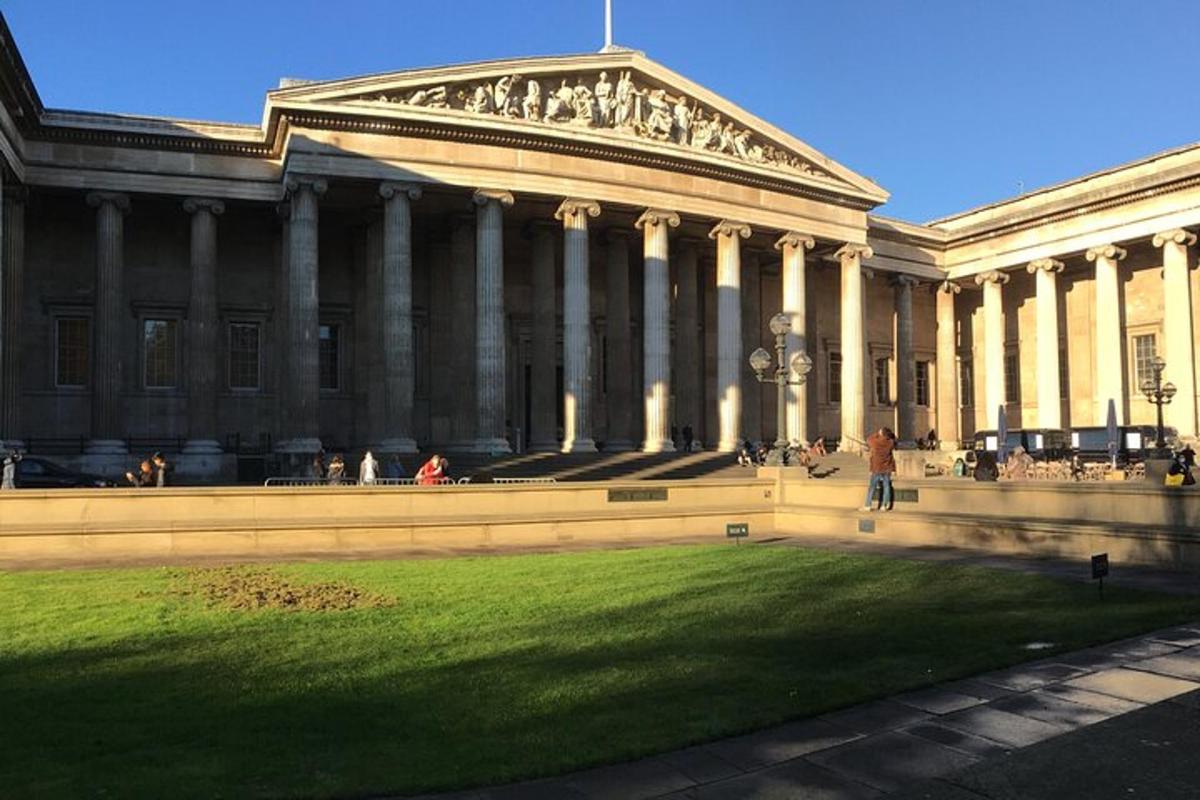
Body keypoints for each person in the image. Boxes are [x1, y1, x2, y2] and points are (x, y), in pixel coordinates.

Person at [862, 427, 897, 512]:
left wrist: (876, 434)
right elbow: (894, 440)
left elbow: (868, 439)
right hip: (887, 468)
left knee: (872, 487)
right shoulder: (890, 442)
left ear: (881, 434)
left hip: (877, 467)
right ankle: (884, 506)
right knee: (886, 486)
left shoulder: (875, 442)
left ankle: (868, 505)